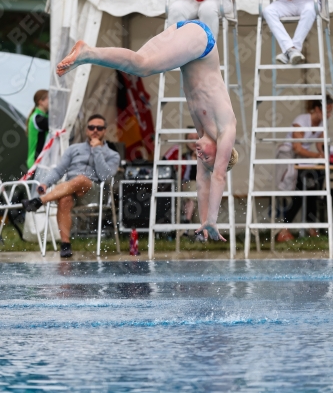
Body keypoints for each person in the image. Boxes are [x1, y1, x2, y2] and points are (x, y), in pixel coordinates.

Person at [56, 20, 238, 242]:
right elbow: (217, 176)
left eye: (202, 158)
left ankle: (87, 56)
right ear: (221, 152)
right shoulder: (226, 128)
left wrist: (204, 222)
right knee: (143, 66)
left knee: (137, 62)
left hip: (188, 35)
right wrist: (214, 218)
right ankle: (87, 53)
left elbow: (203, 180)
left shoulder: (204, 135)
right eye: (206, 156)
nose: (200, 155)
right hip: (202, 41)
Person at [21, 114, 120, 257]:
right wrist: (45, 183)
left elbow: (105, 176)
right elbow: (59, 170)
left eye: (99, 128)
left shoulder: (112, 154)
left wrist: (98, 150)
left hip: (94, 192)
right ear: (87, 130)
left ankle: (38, 201)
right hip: (70, 190)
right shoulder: (74, 149)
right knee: (64, 199)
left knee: (80, 179)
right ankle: (65, 244)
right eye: (91, 127)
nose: (95, 131)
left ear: (105, 131)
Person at [276, 95, 333, 241]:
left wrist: (323, 153)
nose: (328, 115)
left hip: (303, 159)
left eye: (330, 112)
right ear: (316, 109)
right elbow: (297, 148)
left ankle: (310, 226)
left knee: (312, 189)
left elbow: (320, 142)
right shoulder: (301, 121)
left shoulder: (322, 122)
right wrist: (317, 156)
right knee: (298, 192)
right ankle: (284, 229)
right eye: (327, 111)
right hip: (289, 155)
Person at [26, 89, 49, 169]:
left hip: (42, 160)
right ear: (41, 102)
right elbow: (53, 125)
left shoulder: (44, 115)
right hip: (36, 161)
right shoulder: (37, 118)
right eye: (49, 98)